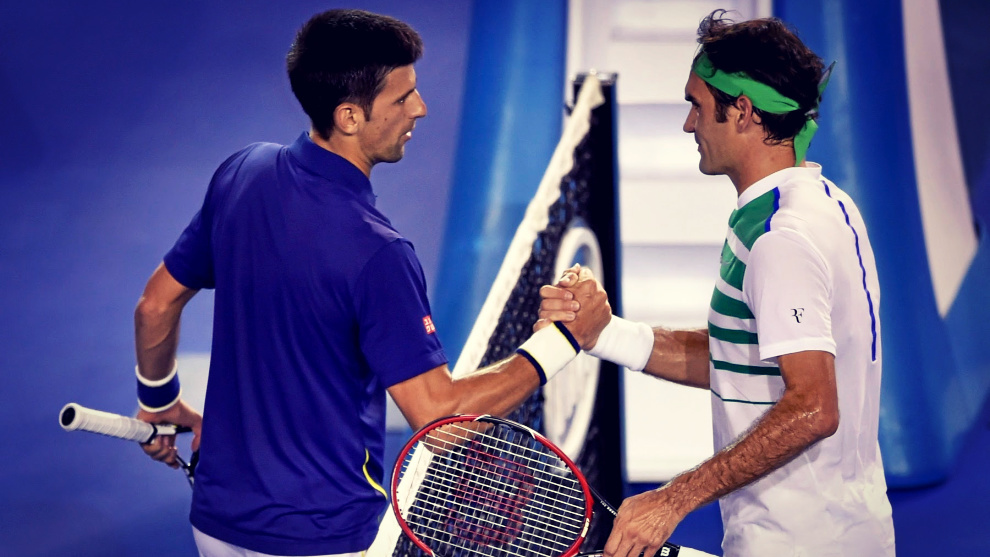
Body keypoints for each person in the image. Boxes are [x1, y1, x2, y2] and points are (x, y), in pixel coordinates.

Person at [132, 9, 610, 557]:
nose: (420, 108)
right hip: (322, 540)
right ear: (350, 117)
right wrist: (560, 343)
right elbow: (440, 419)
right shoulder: (379, 253)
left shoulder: (242, 172)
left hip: (215, 527)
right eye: (402, 98)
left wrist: (159, 399)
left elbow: (155, 306)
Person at [538, 10, 895, 557]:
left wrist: (673, 499)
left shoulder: (781, 239)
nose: (689, 124)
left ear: (743, 112)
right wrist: (605, 333)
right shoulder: (825, 204)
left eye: (698, 106)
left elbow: (814, 408)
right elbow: (738, 359)